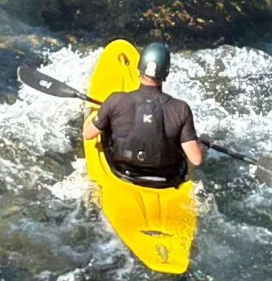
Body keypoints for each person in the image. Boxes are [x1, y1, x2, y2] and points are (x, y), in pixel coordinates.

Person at [87, 41, 205, 187]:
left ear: (139, 70)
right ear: (166, 73)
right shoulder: (181, 109)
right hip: (165, 179)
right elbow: (196, 159)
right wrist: (198, 144)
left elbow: (88, 134)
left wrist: (104, 112)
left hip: (123, 172)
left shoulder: (115, 100)